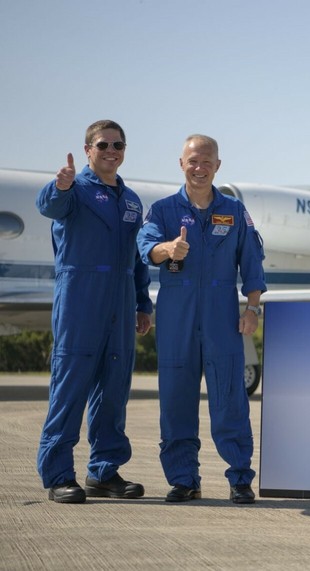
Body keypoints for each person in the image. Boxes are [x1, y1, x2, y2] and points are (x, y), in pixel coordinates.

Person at [137, 134, 266, 504]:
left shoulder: (234, 211)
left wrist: (252, 308)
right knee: (176, 399)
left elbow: (252, 261)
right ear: (182, 164)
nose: (199, 168)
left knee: (229, 398)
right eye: (193, 161)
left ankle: (239, 478)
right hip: (176, 315)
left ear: (217, 166)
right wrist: (168, 249)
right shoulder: (163, 209)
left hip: (221, 314)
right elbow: (145, 248)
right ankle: (184, 480)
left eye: (207, 161)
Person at [36, 120, 153, 504]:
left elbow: (137, 258)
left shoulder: (131, 201)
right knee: (70, 386)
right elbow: (49, 206)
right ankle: (58, 474)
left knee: (113, 389)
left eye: (118, 145)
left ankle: (104, 472)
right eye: (103, 144)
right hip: (80, 299)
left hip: (121, 300)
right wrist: (61, 185)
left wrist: (142, 303)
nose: (111, 151)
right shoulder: (74, 190)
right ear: (88, 149)